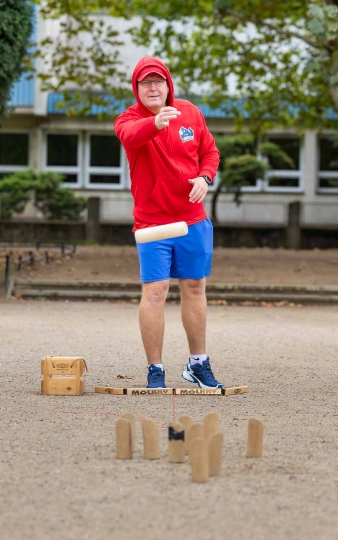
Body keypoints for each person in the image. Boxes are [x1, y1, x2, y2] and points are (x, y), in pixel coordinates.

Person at [114, 57, 223, 389]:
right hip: (152, 225)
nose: (152, 88)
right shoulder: (128, 119)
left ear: (168, 86)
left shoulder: (190, 112)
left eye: (157, 82)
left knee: (194, 287)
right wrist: (156, 124)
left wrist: (205, 177)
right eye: (145, 83)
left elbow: (210, 152)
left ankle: (197, 364)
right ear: (136, 89)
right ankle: (155, 370)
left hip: (193, 220)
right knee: (156, 292)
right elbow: (130, 137)